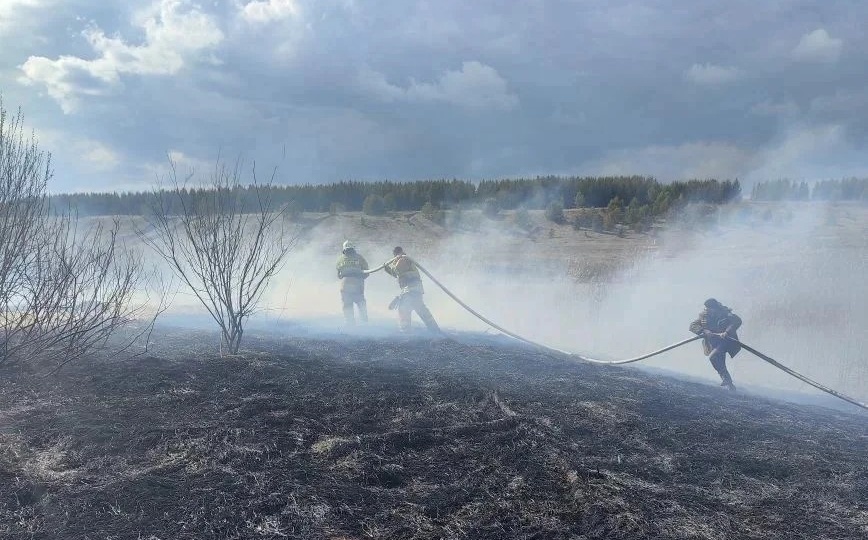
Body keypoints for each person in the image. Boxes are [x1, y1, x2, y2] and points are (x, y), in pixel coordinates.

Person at [383, 246, 441, 333]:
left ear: (396, 254)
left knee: (403, 308)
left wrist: (389, 265)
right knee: (421, 309)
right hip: (415, 290)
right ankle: (435, 330)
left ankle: (406, 333)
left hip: (410, 290)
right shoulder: (405, 261)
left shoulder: (402, 259)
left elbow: (397, 270)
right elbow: (398, 274)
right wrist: (387, 269)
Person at [689, 298, 742, 390]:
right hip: (714, 343)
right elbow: (693, 325)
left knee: (713, 357)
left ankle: (727, 380)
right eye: (707, 308)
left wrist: (727, 332)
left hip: (727, 341)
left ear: (715, 308)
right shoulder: (704, 316)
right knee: (719, 361)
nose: (707, 310)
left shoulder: (726, 313)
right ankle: (730, 385)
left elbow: (737, 321)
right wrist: (704, 330)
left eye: (710, 308)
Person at [336, 240, 369, 325]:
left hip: (345, 286)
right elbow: (367, 272)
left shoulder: (340, 259)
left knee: (347, 306)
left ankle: (350, 325)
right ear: (353, 248)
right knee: (361, 304)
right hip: (357, 285)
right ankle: (364, 324)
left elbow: (339, 275)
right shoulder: (359, 258)